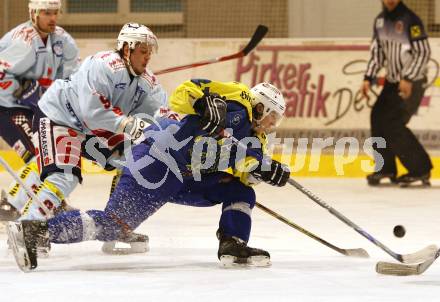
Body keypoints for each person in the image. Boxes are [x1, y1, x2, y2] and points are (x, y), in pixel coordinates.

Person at [6, 80, 291, 271]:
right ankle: (35, 231)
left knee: (240, 192)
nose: (272, 124)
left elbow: (245, 173)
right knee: (114, 224)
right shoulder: (239, 97)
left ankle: (233, 244)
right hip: (157, 158)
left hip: (184, 178)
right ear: (261, 105)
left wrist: (265, 170)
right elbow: (186, 91)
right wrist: (204, 103)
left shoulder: (257, 142)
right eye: (272, 117)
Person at [3, 22, 168, 228]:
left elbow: (161, 114)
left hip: (90, 131)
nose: (148, 57)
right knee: (63, 175)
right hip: (61, 117)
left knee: (132, 158)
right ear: (127, 49)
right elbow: (93, 113)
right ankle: (27, 224)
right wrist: (127, 124)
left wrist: (171, 127)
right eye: (143, 51)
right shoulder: (102, 65)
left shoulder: (146, 82)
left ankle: (116, 223)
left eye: (149, 52)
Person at [0, 0, 79, 218]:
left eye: (55, 13)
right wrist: (22, 86)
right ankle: (10, 205)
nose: (52, 18)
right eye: (46, 13)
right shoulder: (23, 40)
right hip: (8, 108)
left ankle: (45, 200)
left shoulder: (62, 40)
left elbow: (72, 76)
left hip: (38, 110)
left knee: (48, 154)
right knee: (39, 155)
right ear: (34, 14)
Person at [361, 0, 432, 187]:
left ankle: (420, 169)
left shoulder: (411, 20)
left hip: (413, 81)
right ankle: (386, 168)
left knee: (393, 123)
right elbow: (377, 54)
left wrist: (408, 77)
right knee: (378, 117)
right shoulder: (380, 22)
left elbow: (423, 53)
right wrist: (368, 78)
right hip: (393, 82)